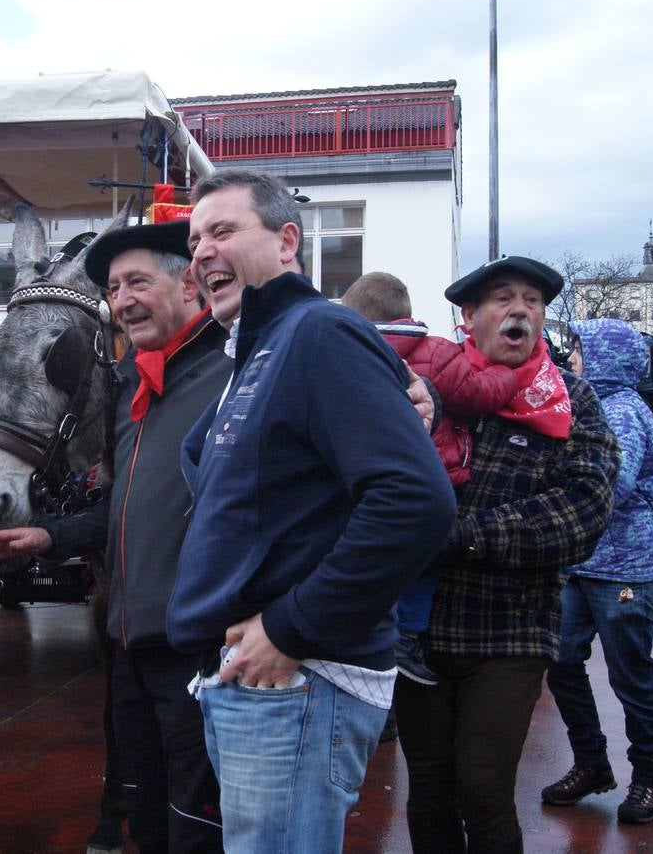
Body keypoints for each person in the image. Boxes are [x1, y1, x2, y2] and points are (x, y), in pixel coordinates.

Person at [166, 168, 457, 853]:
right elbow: (218, 467)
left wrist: (292, 627)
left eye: (224, 230)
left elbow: (414, 501)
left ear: (288, 241)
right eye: (195, 238)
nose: (202, 250)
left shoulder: (318, 331)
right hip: (255, 683)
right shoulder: (258, 348)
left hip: (296, 682)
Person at [0, 219, 228, 852]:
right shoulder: (131, 387)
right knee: (145, 820)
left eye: (138, 281)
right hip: (130, 643)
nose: (123, 300)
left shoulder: (237, 372)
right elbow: (127, 506)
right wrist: (49, 536)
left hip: (199, 650)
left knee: (196, 826)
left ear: (191, 282)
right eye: (115, 288)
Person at [392, 255, 620, 854]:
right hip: (421, 634)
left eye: (532, 300)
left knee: (484, 789)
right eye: (503, 299)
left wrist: (454, 536)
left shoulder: (571, 400)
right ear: (469, 317)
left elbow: (581, 515)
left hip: (512, 632)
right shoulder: (429, 393)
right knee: (431, 792)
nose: (520, 309)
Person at [342, 271, 519, 686]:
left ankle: (371, 634)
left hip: (366, 481)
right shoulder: (436, 352)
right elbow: (478, 394)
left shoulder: (346, 351)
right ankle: (406, 638)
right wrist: (512, 372)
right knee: (423, 566)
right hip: (433, 478)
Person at [541, 319, 653, 824]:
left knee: (631, 676)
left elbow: (609, 488)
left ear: (603, 357)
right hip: (583, 563)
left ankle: (649, 778)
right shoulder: (591, 404)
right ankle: (592, 762)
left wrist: (554, 486)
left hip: (625, 570)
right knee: (562, 659)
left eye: (577, 350)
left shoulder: (622, 411)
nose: (571, 358)